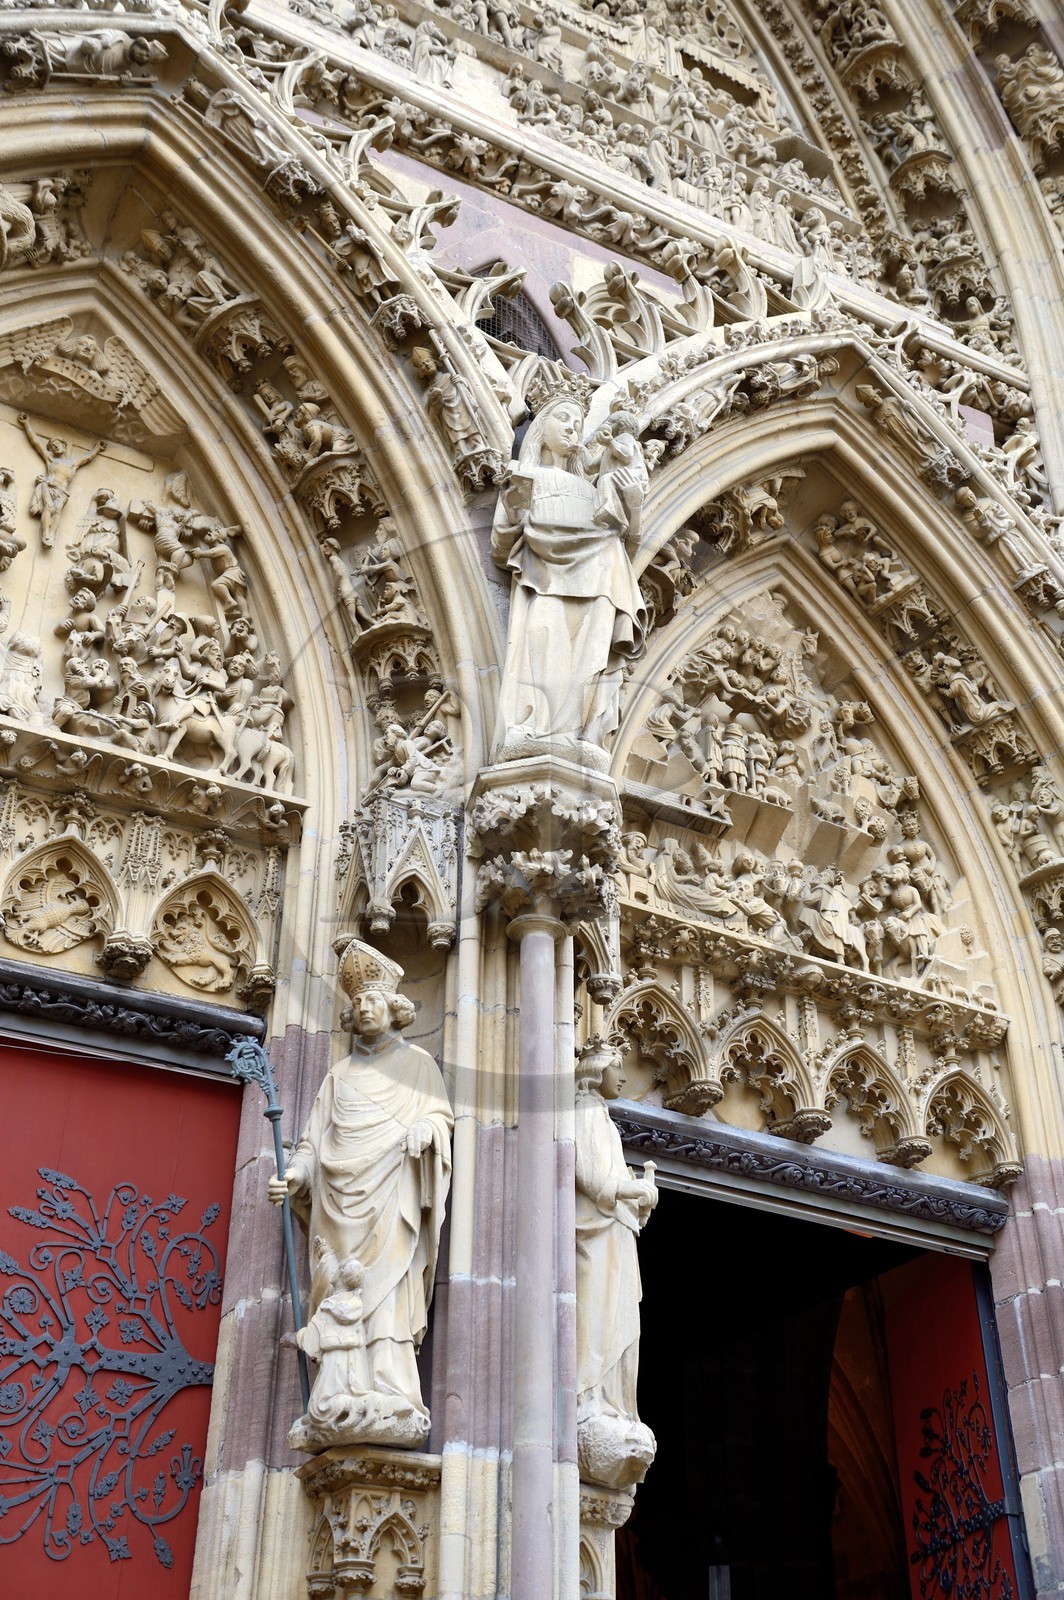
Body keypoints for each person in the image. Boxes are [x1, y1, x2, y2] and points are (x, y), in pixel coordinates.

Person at [269, 939, 453, 1450]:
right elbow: (313, 1138)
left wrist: (426, 1132)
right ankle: (339, 1388)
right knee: (339, 1291)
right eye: (358, 1004)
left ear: (395, 1010)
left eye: (372, 1001)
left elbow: (439, 1117)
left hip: (392, 1192)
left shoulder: (419, 1066)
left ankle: (391, 1389)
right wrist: (299, 1174)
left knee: (388, 1291)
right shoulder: (337, 1076)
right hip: (338, 1206)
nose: (363, 1008)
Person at [491, 392, 647, 761]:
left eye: (577, 423)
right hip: (544, 575)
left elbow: (626, 544)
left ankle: (578, 734)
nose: (572, 428)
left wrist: (635, 507)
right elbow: (501, 545)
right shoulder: (526, 476)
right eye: (562, 418)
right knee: (546, 640)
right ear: (541, 428)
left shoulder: (591, 488)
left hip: (601, 576)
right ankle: (537, 727)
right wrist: (516, 512)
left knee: (591, 656)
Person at [575, 1037, 657, 1490]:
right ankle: (592, 1401)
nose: (624, 1076)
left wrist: (641, 1192)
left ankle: (614, 1406)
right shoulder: (584, 1112)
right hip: (597, 1237)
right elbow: (590, 1178)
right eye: (616, 1066)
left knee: (620, 1320)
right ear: (595, 1068)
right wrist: (632, 1190)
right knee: (600, 1317)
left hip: (616, 1234)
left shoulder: (602, 1117)